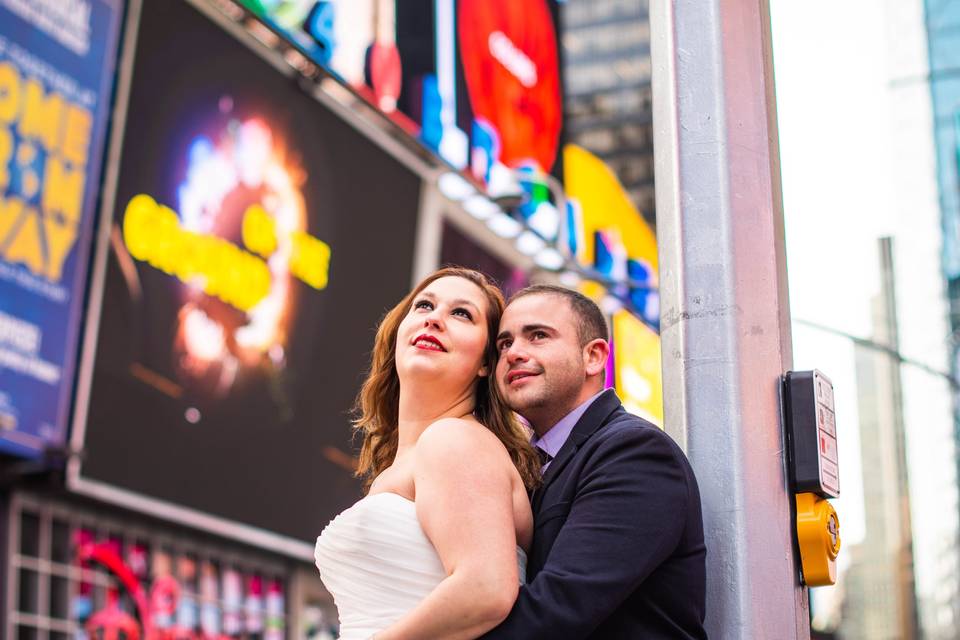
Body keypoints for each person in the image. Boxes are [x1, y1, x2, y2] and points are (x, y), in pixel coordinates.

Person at [314, 267, 540, 640]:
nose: (434, 319)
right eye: (424, 305)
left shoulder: (454, 439)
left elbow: (486, 590)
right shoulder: (404, 464)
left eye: (461, 313)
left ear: (486, 362)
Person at [482, 284, 707, 640]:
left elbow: (557, 611)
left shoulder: (636, 452)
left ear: (595, 357)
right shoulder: (523, 464)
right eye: (504, 344)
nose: (513, 353)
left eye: (538, 336)